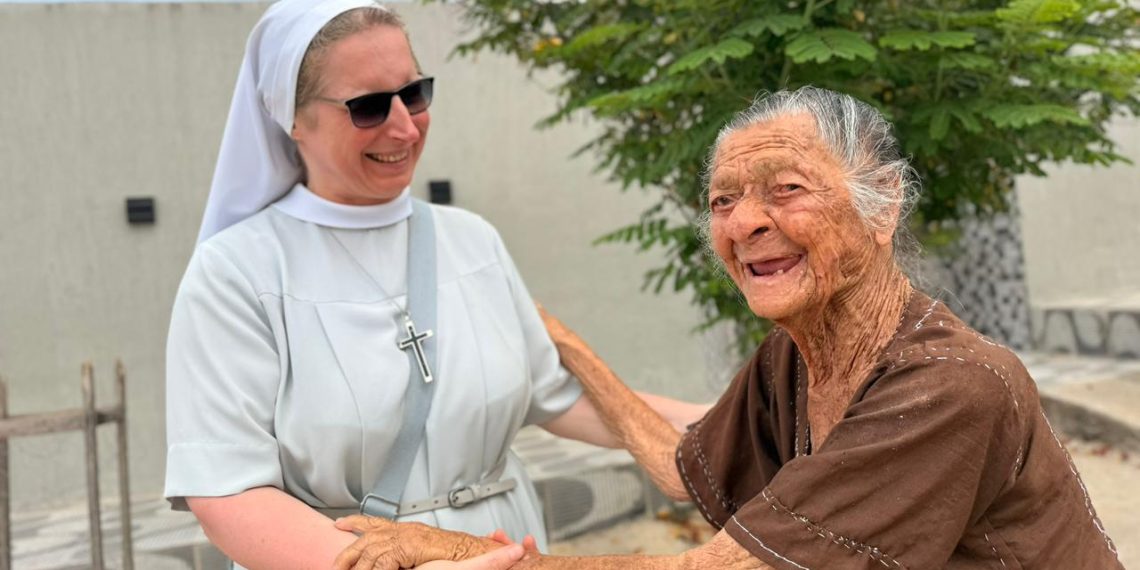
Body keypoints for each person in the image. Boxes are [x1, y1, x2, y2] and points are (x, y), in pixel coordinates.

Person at [338, 87, 1124, 569]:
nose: (744, 222)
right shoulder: (794, 355)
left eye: (786, 190)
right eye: (723, 201)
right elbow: (685, 470)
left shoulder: (952, 388)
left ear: (882, 206)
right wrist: (565, 344)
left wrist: (454, 548)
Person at [162, 2, 707, 569]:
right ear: (291, 117)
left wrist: (733, 419)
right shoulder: (236, 273)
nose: (404, 126)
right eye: (369, 106)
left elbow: (559, 397)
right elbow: (228, 492)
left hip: (504, 552)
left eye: (414, 93)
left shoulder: (472, 240)